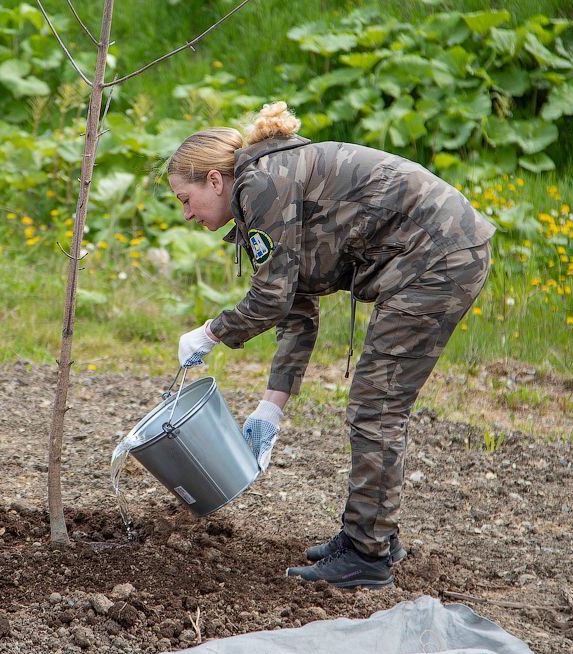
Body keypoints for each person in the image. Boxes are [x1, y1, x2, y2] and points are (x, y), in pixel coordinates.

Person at [168, 101, 495, 589]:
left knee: (376, 405)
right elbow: (296, 311)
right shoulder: (264, 189)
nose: (187, 213)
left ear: (215, 181)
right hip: (436, 252)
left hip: (437, 255)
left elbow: (270, 298)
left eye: (185, 198)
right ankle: (373, 534)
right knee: (375, 402)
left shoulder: (262, 186)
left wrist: (212, 332)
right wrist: (268, 413)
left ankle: (367, 553)